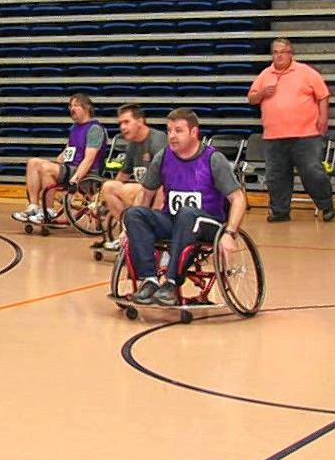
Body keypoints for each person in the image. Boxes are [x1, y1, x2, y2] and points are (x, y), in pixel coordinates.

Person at [121, 108, 248, 306]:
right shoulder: (163, 157)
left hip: (209, 223)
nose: (171, 136)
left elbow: (238, 198)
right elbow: (145, 193)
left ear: (194, 132)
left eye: (178, 130)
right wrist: (128, 229)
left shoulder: (213, 159)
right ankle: (150, 280)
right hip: (174, 221)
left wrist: (230, 233)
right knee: (134, 213)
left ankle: (171, 283)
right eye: (169, 130)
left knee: (186, 213)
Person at [247, 38, 335, 222]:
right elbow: (252, 98)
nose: (279, 55)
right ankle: (280, 211)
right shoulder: (265, 74)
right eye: (276, 52)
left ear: (291, 54)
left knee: (311, 171)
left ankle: (326, 205)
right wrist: (262, 93)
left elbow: (323, 95)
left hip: (306, 134)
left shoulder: (306, 72)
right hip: (274, 136)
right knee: (276, 176)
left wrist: (323, 117)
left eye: (283, 52)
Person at [13, 93, 106, 226]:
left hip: (86, 173)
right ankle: (33, 207)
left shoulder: (94, 129)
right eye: (70, 106)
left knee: (46, 169)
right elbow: (67, 152)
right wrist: (54, 163)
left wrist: (76, 178)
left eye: (76, 106)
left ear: (86, 108)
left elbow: (89, 159)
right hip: (69, 168)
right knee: (33, 162)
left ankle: (49, 211)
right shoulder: (74, 128)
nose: (71, 108)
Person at [97, 104, 168, 252]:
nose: (122, 127)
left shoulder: (157, 140)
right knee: (109, 187)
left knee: (131, 189)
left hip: (160, 194)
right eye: (120, 123)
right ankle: (129, 233)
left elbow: (165, 179)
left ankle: (132, 234)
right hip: (142, 192)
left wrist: (156, 213)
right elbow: (123, 174)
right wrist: (101, 200)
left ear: (140, 121)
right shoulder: (132, 145)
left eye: (126, 122)